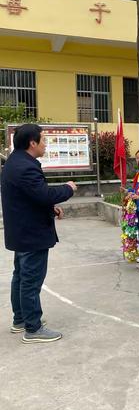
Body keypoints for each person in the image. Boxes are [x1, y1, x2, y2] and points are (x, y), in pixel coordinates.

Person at [1, 124, 77, 343]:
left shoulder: (15, 163)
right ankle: (33, 328)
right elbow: (43, 194)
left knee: (20, 277)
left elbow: (29, 196)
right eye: (43, 140)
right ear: (32, 143)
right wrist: (69, 188)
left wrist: (49, 208)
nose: (45, 145)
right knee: (31, 281)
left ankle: (21, 320)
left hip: (22, 231)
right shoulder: (25, 167)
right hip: (31, 233)